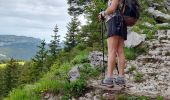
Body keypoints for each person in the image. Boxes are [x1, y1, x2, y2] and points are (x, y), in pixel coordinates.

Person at [98, 0, 127, 87]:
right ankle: (121, 78)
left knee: (111, 51)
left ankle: (109, 78)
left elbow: (112, 8)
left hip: (114, 22)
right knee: (120, 51)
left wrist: (103, 13)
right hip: (122, 23)